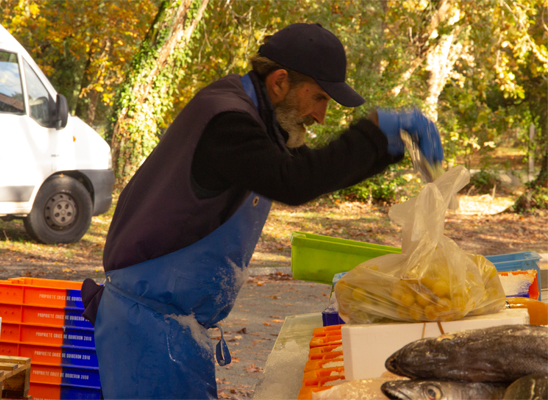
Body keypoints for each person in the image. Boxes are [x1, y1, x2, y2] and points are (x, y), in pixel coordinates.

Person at [81, 23, 444, 399]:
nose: (320, 116)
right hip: (147, 328)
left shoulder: (257, 118)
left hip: (174, 325)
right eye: (318, 98)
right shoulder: (228, 120)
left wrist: (388, 147)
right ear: (280, 81)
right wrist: (374, 133)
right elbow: (294, 181)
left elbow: (310, 169)